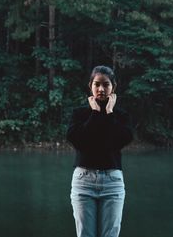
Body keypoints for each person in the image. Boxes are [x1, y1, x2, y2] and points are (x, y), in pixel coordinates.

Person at [66, 65, 134, 237]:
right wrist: (95, 113)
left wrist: (109, 113)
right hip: (83, 182)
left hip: (112, 182)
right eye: (97, 84)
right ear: (91, 86)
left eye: (106, 84)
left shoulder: (120, 116)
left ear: (114, 87)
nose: (101, 89)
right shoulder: (80, 114)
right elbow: (77, 140)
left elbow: (122, 139)